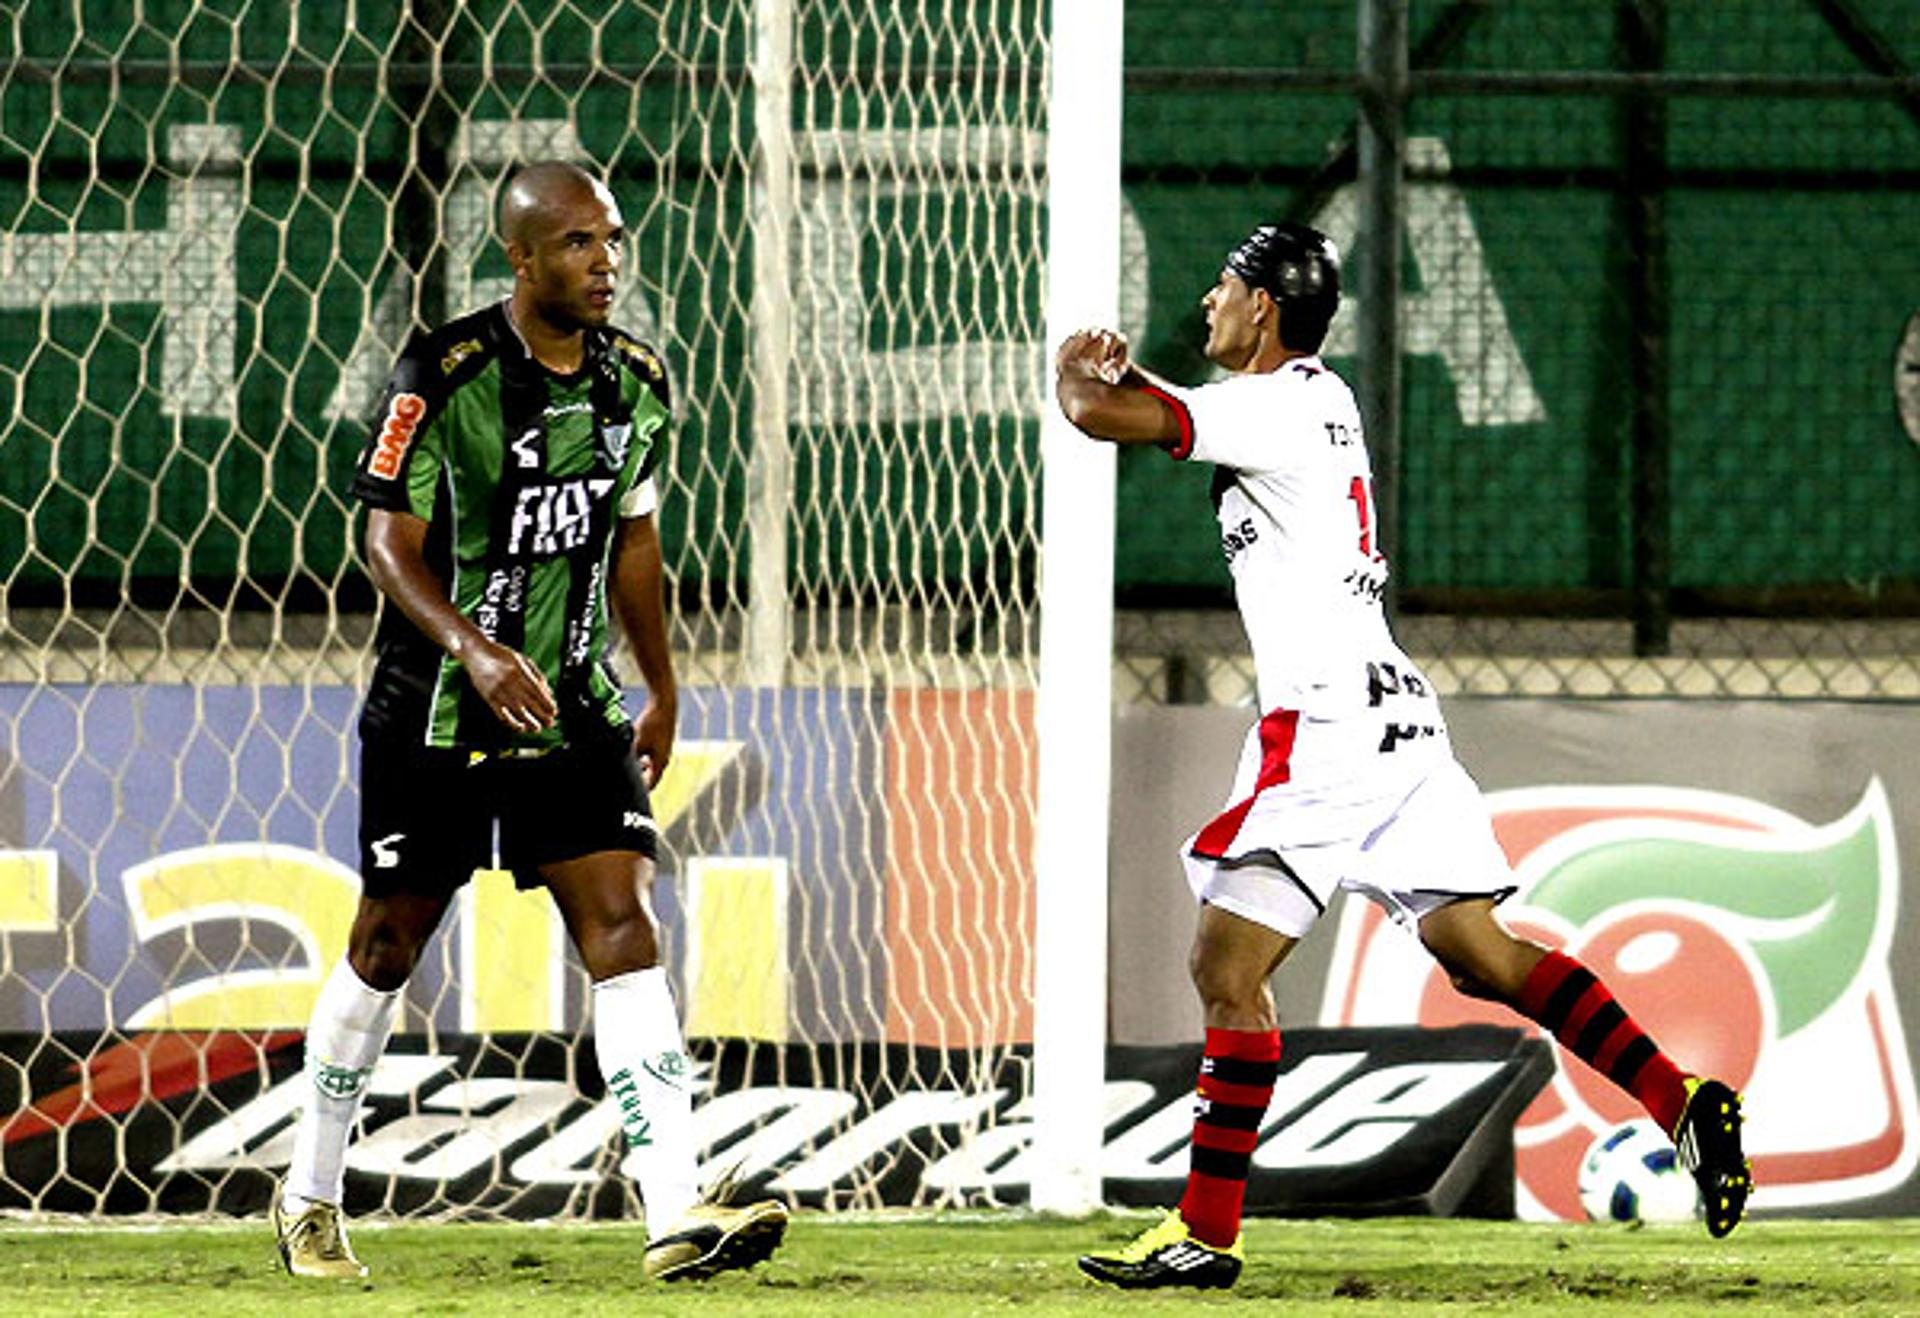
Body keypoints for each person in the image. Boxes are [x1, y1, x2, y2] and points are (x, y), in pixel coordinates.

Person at [1053, 221, 1750, 1291]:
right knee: (1481, 951)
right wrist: (1134, 371)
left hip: (1326, 725)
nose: (1207, 300)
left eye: (1226, 286)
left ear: (1266, 308)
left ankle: (1206, 1230)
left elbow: (1100, 416)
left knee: (1225, 969)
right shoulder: (1315, 400)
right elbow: (1183, 408)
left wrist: (1073, 370)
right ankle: (1679, 1098)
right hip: (1397, 719)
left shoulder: (1272, 404)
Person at [272, 161, 787, 1283]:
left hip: (571, 706)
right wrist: (474, 645)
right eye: (577, 244)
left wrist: (663, 682)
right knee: (387, 942)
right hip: (441, 709)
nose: (605, 263)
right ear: (521, 256)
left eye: (612, 241)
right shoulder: (444, 374)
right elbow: (387, 547)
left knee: (624, 921)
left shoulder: (638, 382)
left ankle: (672, 1210)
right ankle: (309, 1193)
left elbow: (637, 542)